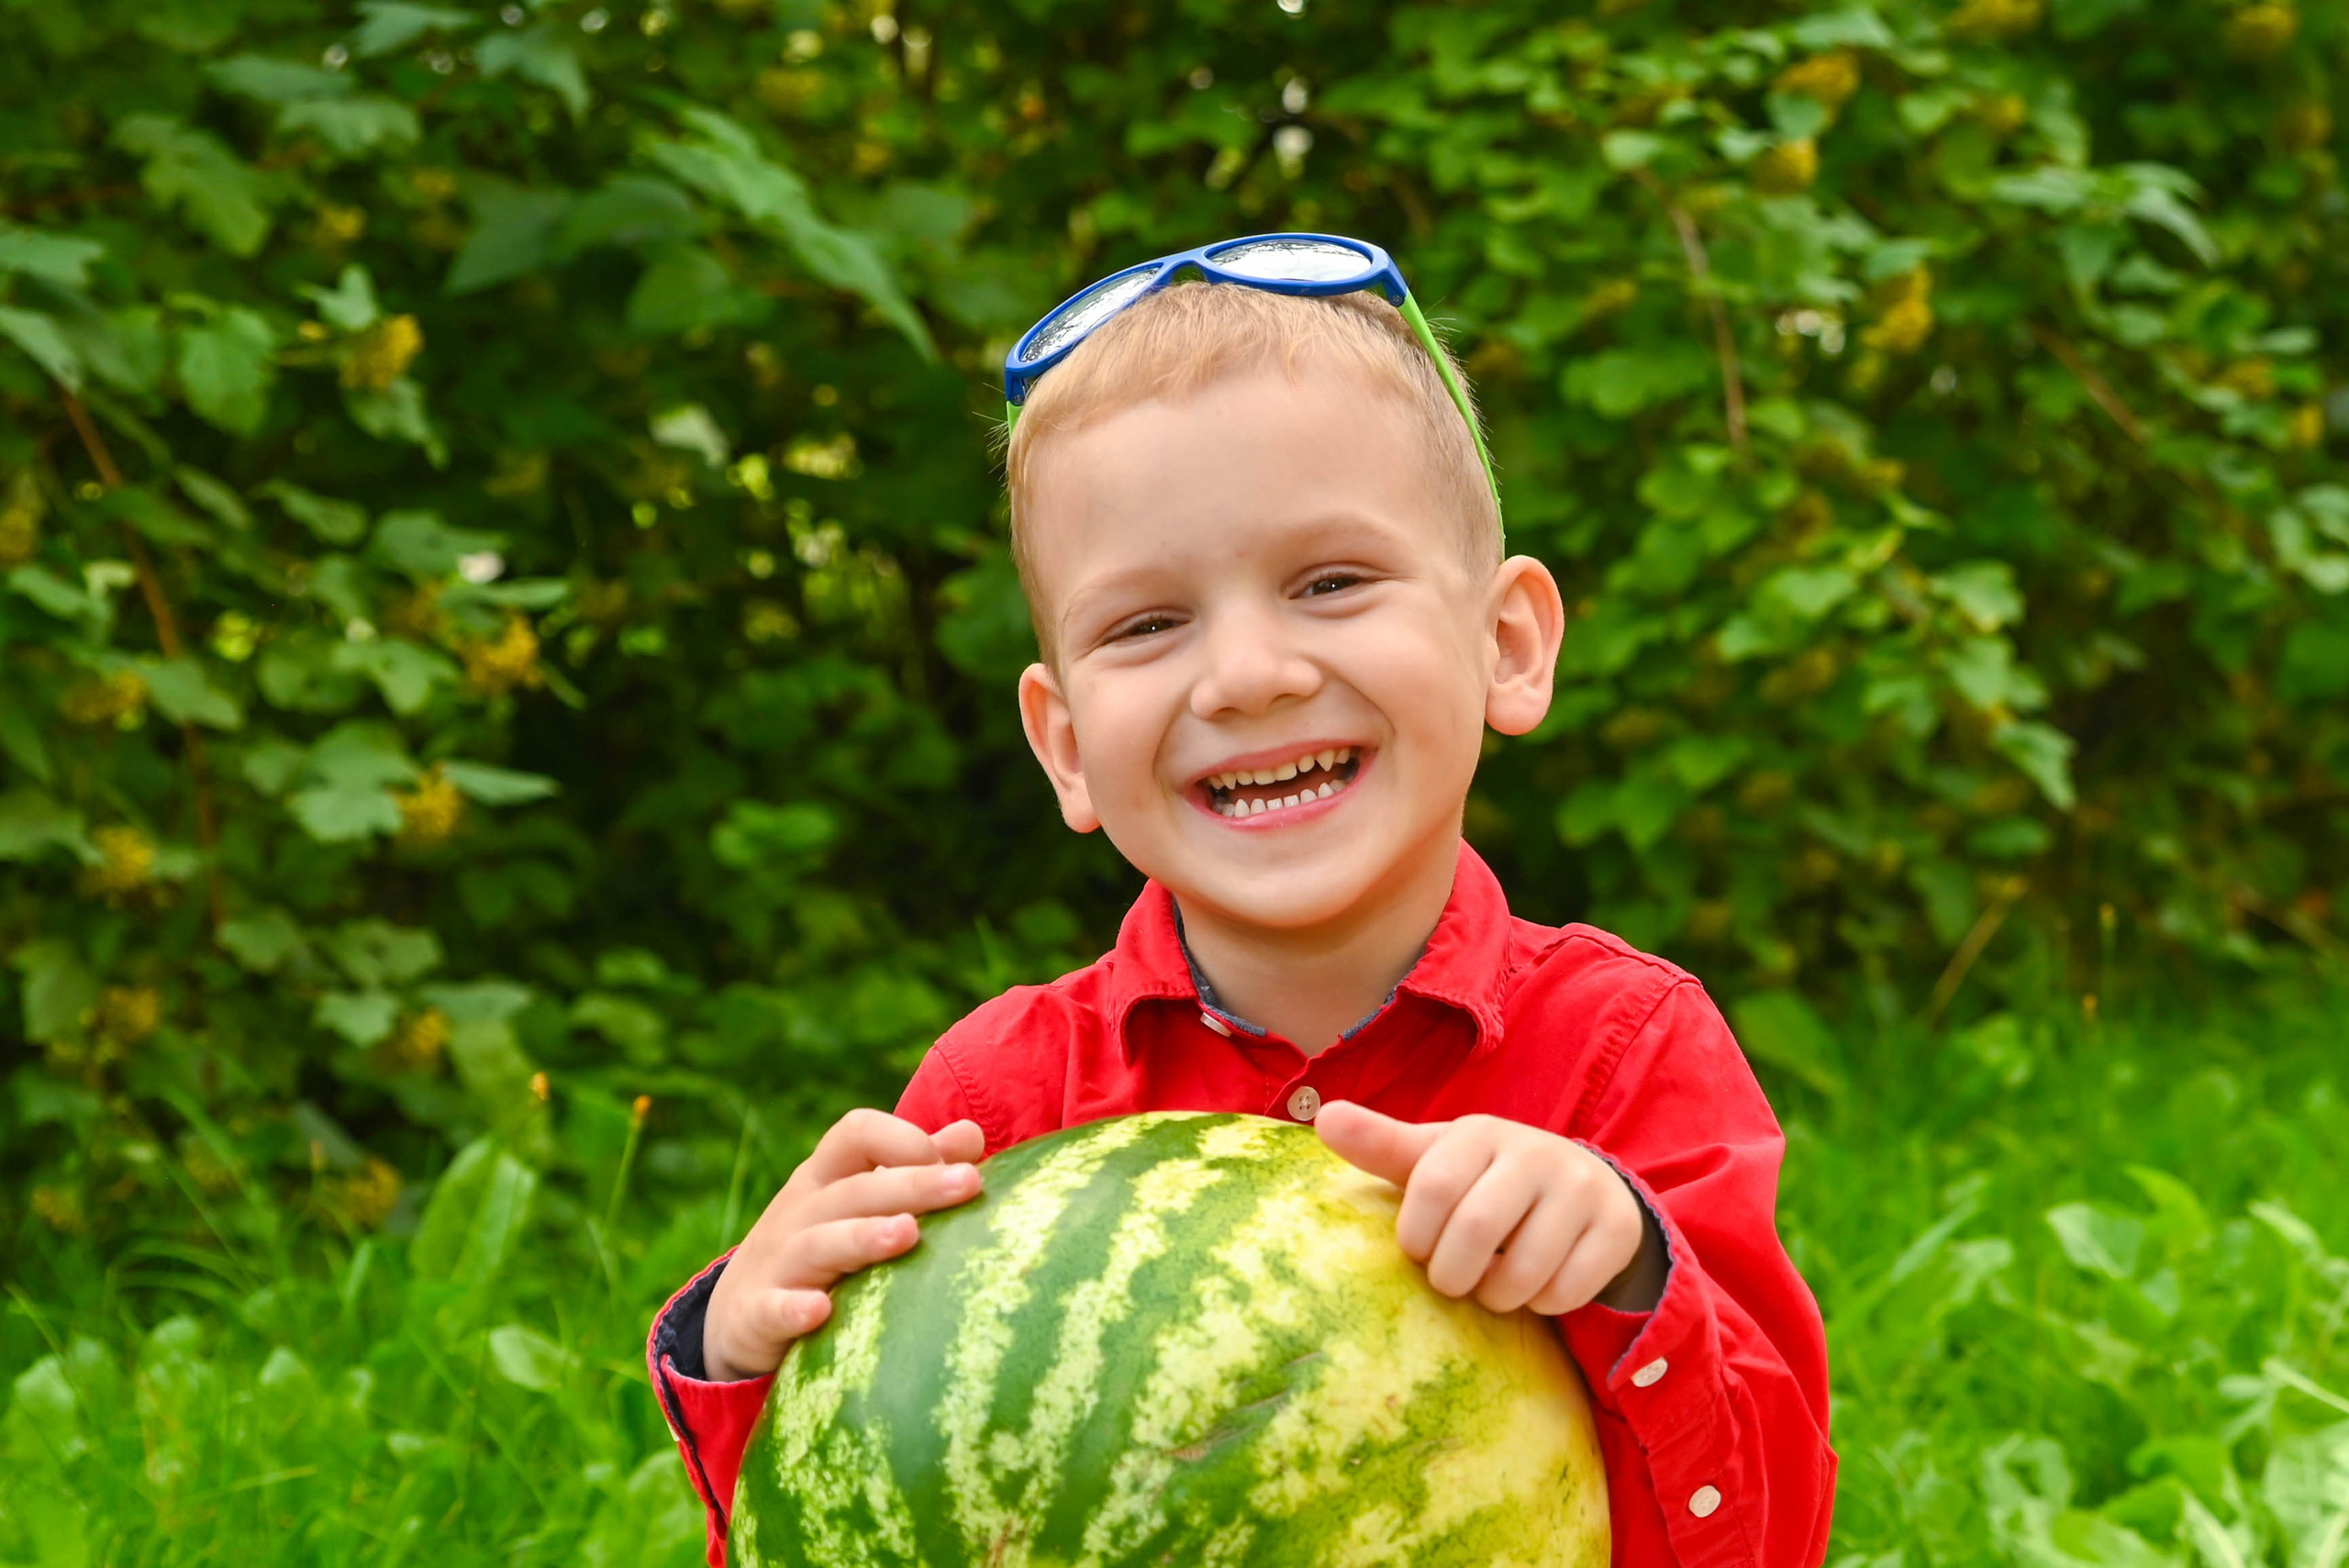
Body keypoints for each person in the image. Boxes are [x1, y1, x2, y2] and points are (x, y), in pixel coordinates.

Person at [645, 235, 1834, 1567]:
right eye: (1148, 624)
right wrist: (744, 1355)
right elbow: (862, 1518)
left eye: (1330, 583)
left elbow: (1773, 1528)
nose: (1250, 674)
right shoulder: (997, 1099)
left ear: (1505, 645)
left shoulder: (1624, 1052)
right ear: (1066, 746)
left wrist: (1625, 1272)